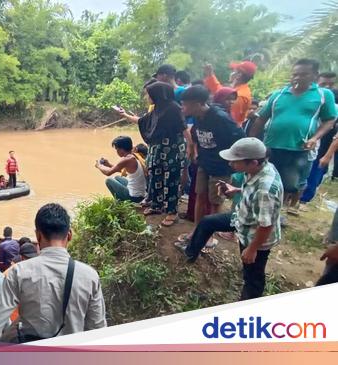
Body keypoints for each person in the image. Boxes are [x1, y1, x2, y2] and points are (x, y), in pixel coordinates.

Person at [0, 203, 106, 342]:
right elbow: (97, 330)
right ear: (69, 235)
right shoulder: (89, 276)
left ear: (38, 236)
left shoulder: (19, 272)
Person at [175, 138, 283, 300]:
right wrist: (237, 190)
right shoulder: (260, 168)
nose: (230, 164)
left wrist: (252, 249)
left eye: (235, 161)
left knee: (252, 275)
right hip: (242, 217)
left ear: (253, 162)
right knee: (207, 222)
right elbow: (253, 189)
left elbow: (266, 225)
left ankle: (248, 304)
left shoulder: (265, 190)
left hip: (256, 235)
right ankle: (190, 253)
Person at [249, 59, 337, 215]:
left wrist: (315, 137)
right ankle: (261, 213)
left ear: (314, 76)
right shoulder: (278, 95)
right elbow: (261, 118)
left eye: (303, 74)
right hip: (271, 147)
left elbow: (330, 119)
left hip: (298, 148)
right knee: (263, 181)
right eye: (295, 74)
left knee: (288, 185)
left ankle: (274, 216)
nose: (297, 78)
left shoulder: (323, 95)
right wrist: (252, 141)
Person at [178, 86, 245, 245]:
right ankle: (197, 229)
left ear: (198, 104)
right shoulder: (197, 117)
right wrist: (194, 151)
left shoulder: (221, 118)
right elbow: (195, 135)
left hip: (220, 167)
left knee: (215, 201)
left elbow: (239, 138)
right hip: (204, 164)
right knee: (200, 196)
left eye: (185, 104)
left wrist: (233, 163)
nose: (183, 108)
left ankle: (210, 235)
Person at [116, 81, 188, 227]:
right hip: (157, 150)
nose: (147, 97)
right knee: (155, 177)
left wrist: (191, 148)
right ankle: (156, 205)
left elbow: (184, 129)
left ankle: (172, 212)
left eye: (148, 94)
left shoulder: (173, 108)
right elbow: (142, 121)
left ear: (158, 94)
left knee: (171, 182)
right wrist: (125, 115)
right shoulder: (157, 109)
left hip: (172, 151)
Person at [95, 135, 147, 203]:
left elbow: (108, 173)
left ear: (121, 149)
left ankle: (120, 202)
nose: (117, 151)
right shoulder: (134, 155)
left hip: (135, 197)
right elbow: (125, 172)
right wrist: (108, 164)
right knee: (117, 177)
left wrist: (99, 165)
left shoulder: (127, 159)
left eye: (117, 149)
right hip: (141, 193)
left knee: (109, 180)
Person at [204, 61, 256, 125]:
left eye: (234, 71)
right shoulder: (237, 90)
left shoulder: (240, 96)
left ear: (239, 75)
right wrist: (210, 75)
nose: (231, 73)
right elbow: (221, 93)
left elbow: (231, 121)